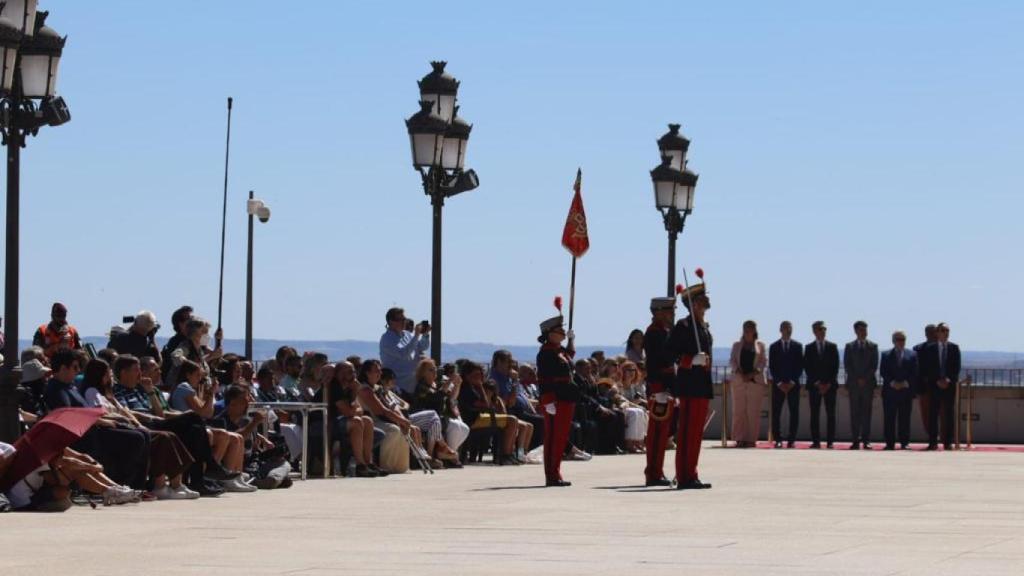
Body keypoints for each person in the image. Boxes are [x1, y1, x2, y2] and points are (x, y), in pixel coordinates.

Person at [80, 359, 198, 500]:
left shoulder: (108, 393)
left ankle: (176, 485)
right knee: (161, 437)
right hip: (110, 429)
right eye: (108, 374)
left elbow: (124, 410)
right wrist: (126, 420)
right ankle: (156, 486)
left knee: (170, 434)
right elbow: (99, 414)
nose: (110, 376)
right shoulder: (92, 392)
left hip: (128, 426)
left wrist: (137, 424)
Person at [43, 349, 151, 492]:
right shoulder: (57, 390)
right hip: (83, 435)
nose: (78, 371)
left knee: (144, 434)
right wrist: (102, 421)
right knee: (135, 439)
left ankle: (137, 486)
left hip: (92, 430)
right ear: (63, 368)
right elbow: (69, 416)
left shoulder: (70, 387)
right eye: (75, 367)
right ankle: (124, 483)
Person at [668, 280, 714, 490]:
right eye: (702, 298)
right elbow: (670, 352)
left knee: (696, 434)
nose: (706, 301)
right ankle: (683, 475)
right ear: (693, 303)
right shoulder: (684, 326)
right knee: (687, 433)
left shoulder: (703, 327)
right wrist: (690, 360)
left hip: (701, 385)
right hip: (689, 385)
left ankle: (692, 473)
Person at [536, 313, 579, 487]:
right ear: (550, 333)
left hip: (566, 397)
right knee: (553, 437)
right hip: (555, 399)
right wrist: (548, 401)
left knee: (561, 437)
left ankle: (556, 472)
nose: (562, 331)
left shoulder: (558, 350)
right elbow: (544, 379)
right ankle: (552, 475)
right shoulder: (546, 353)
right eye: (559, 329)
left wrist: (571, 340)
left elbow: (570, 355)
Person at [327, 362, 384, 477]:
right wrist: (354, 409)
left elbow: (359, 409)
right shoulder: (335, 387)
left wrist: (354, 393)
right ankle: (360, 465)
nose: (353, 374)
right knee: (357, 421)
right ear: (339, 374)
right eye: (349, 372)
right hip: (329, 423)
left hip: (346, 420)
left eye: (353, 371)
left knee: (367, 420)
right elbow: (347, 411)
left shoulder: (350, 387)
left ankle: (368, 463)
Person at [643, 297, 676, 486]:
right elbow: (655, 362)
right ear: (658, 312)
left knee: (663, 433)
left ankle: (657, 470)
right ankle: (653, 473)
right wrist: (659, 388)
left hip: (665, 385)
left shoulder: (664, 331)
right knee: (656, 433)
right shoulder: (654, 333)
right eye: (669, 310)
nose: (672, 314)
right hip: (659, 386)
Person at [357, 361, 411, 474]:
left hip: (378, 420)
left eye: (380, 370)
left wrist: (402, 421)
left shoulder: (377, 388)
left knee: (402, 429)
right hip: (369, 421)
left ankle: (400, 466)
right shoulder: (365, 389)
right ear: (367, 373)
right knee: (393, 430)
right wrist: (402, 421)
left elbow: (390, 406)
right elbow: (381, 410)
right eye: (376, 371)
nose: (380, 373)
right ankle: (387, 465)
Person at [413, 359, 471, 455]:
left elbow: (451, 398)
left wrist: (457, 385)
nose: (434, 372)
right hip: (428, 419)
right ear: (423, 373)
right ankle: (447, 453)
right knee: (456, 427)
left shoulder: (435, 384)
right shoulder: (421, 386)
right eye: (431, 370)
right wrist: (450, 380)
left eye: (435, 369)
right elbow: (436, 397)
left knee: (465, 429)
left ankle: (449, 453)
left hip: (440, 416)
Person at [491, 350, 542, 454]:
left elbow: (519, 397)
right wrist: (515, 381)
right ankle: (518, 453)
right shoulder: (495, 378)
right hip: (508, 412)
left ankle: (523, 453)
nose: (511, 365)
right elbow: (510, 402)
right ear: (499, 361)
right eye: (508, 361)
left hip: (519, 411)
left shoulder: (508, 377)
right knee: (540, 423)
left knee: (535, 423)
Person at [919, 323, 961, 450]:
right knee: (933, 413)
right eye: (943, 330)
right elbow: (927, 368)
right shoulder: (930, 349)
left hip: (949, 386)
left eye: (947, 330)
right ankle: (933, 442)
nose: (945, 333)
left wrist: (948, 379)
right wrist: (937, 380)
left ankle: (948, 442)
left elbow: (956, 367)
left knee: (949, 413)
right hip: (934, 385)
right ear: (937, 333)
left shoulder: (954, 348)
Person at [729, 320, 767, 448]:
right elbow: (732, 361)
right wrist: (740, 372)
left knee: (753, 412)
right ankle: (739, 438)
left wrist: (753, 374)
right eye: (746, 328)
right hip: (739, 381)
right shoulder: (736, 345)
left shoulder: (761, 345)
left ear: (755, 330)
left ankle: (751, 439)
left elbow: (763, 362)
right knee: (739, 411)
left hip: (755, 382)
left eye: (750, 328)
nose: (748, 331)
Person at [379, 307, 430, 397]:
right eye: (401, 319)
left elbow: (422, 347)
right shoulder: (387, 339)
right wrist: (416, 335)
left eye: (404, 319)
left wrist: (425, 334)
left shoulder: (407, 334)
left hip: (414, 384)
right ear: (391, 321)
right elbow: (403, 353)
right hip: (399, 386)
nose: (404, 322)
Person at [844, 320, 879, 449]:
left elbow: (874, 365)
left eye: (865, 329)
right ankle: (855, 440)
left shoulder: (873, 346)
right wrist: (857, 379)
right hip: (854, 385)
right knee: (854, 413)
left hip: (868, 384)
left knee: (867, 413)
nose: (864, 332)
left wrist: (865, 378)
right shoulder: (849, 346)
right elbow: (847, 365)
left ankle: (866, 440)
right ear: (856, 331)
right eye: (861, 330)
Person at [804, 321, 840, 449]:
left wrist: (828, 383)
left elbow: (835, 366)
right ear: (814, 331)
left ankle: (830, 441)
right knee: (814, 414)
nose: (823, 331)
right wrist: (817, 383)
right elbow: (807, 367)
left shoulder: (832, 347)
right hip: (815, 386)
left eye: (824, 329)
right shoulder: (809, 348)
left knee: (831, 414)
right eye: (820, 329)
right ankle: (816, 441)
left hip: (830, 386)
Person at [769, 321, 803, 448]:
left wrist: (792, 382)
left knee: (794, 412)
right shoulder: (774, 347)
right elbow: (772, 366)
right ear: (780, 330)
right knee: (776, 413)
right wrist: (779, 383)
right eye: (785, 328)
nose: (788, 330)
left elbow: (800, 366)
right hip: (778, 386)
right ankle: (778, 439)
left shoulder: (797, 346)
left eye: (790, 328)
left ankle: (791, 439)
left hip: (793, 385)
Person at [880, 331, 917, 450]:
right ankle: (889, 443)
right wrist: (893, 383)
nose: (901, 342)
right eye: (898, 339)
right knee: (889, 419)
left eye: (903, 339)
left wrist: (904, 383)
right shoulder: (885, 355)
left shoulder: (912, 354)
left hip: (905, 392)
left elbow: (915, 372)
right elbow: (883, 371)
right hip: (890, 392)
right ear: (893, 341)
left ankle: (904, 443)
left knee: (905, 418)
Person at [913, 324, 939, 431]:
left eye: (934, 332)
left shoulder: (944, 348)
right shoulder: (918, 349)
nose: (932, 335)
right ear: (925, 334)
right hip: (924, 387)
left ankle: (944, 437)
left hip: (940, 387)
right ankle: (931, 436)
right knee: (926, 414)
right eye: (929, 332)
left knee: (942, 414)